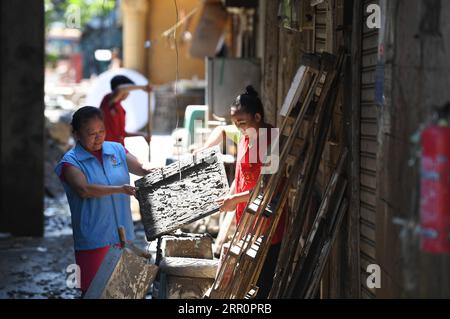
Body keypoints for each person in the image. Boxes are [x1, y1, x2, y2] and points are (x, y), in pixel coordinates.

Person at [195, 86, 285, 298]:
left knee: (263, 283)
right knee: (248, 281)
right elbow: (223, 134)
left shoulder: (270, 140)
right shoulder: (247, 134)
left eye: (242, 123)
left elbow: (267, 188)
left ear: (257, 116)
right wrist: (202, 150)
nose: (239, 127)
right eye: (236, 123)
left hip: (266, 224)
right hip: (247, 221)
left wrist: (233, 199)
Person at [55, 106, 154, 296]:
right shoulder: (70, 162)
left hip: (124, 236)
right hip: (94, 239)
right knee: (94, 292)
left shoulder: (116, 149)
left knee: (124, 291)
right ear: (76, 134)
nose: (98, 137)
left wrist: (156, 169)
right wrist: (119, 189)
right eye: (91, 133)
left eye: (101, 131)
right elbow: (83, 189)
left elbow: (141, 167)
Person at [99, 75, 152, 146]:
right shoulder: (108, 101)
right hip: (108, 148)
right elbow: (120, 89)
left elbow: (122, 133)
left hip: (119, 148)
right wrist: (142, 87)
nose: (129, 93)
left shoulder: (121, 109)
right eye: (128, 90)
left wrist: (142, 135)